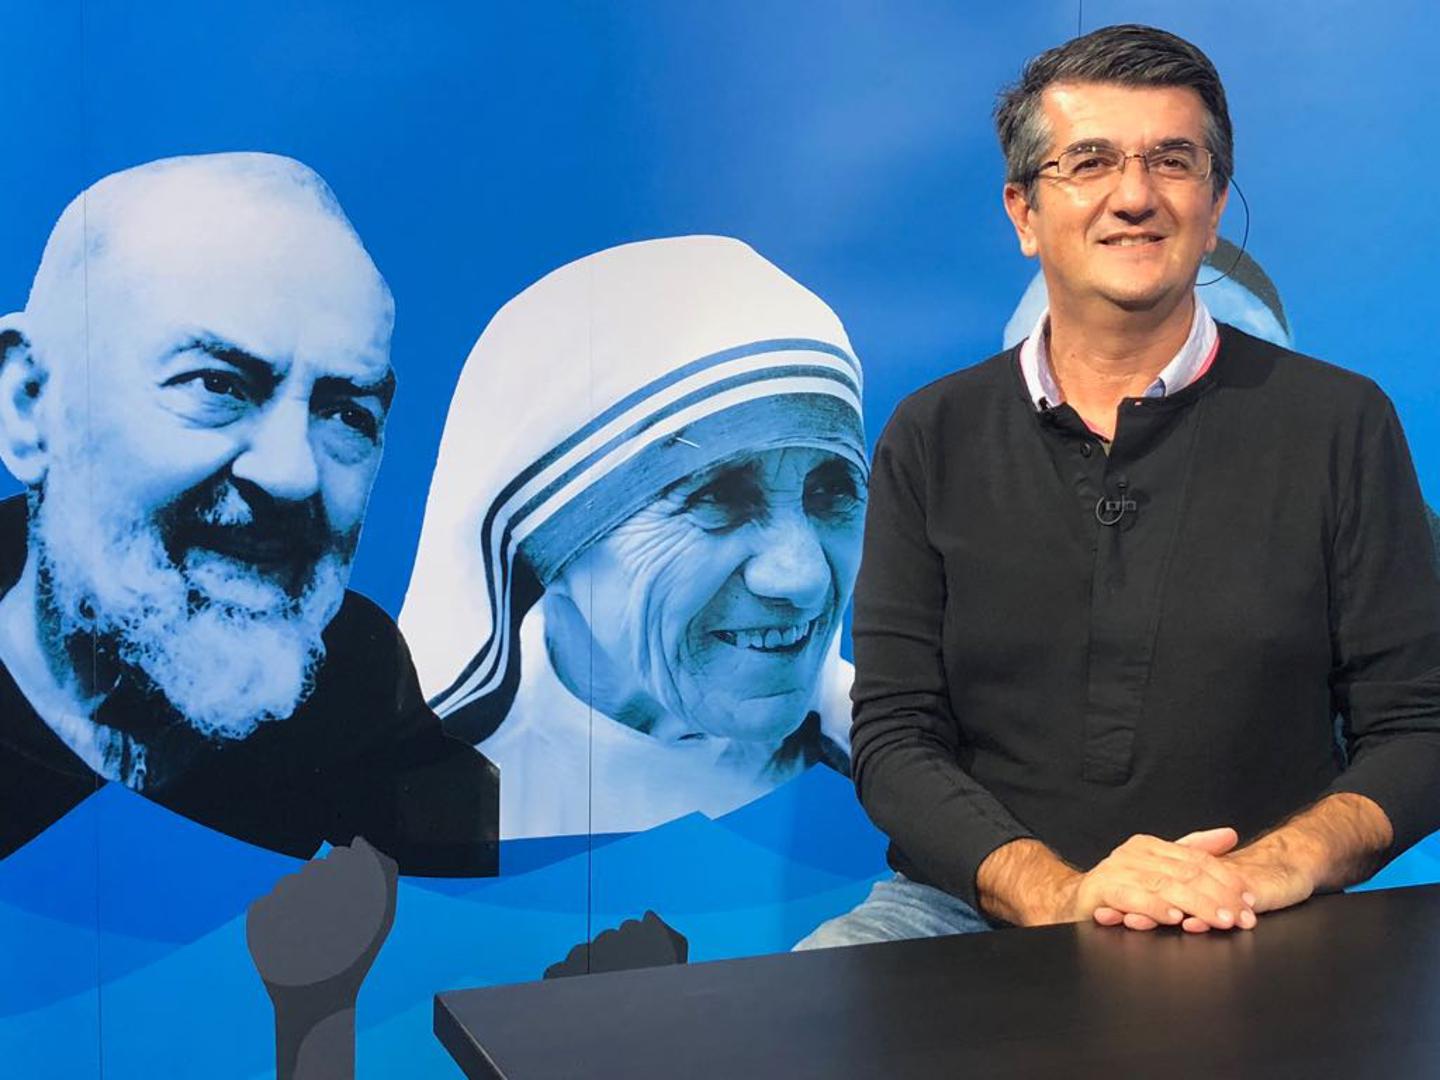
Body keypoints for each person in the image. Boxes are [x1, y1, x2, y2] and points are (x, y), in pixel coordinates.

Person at [798, 24, 1440, 948]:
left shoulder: (1341, 423)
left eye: (1172, 162)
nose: (1134, 196)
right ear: (1024, 213)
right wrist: (1058, 893)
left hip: (1253, 907)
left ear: (1213, 208)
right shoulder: (931, 435)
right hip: (973, 909)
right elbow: (895, 737)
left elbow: (1418, 727)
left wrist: (1270, 869)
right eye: (1089, 162)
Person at [0, 153, 497, 875]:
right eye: (216, 383)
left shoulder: (357, 675)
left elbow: (467, 924)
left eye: (346, 413)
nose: (292, 474)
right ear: (29, 404)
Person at [401, 236, 865, 838]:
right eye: (717, 497)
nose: (803, 577)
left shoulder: (900, 769)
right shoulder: (403, 808)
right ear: (547, 547)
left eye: (831, 492)